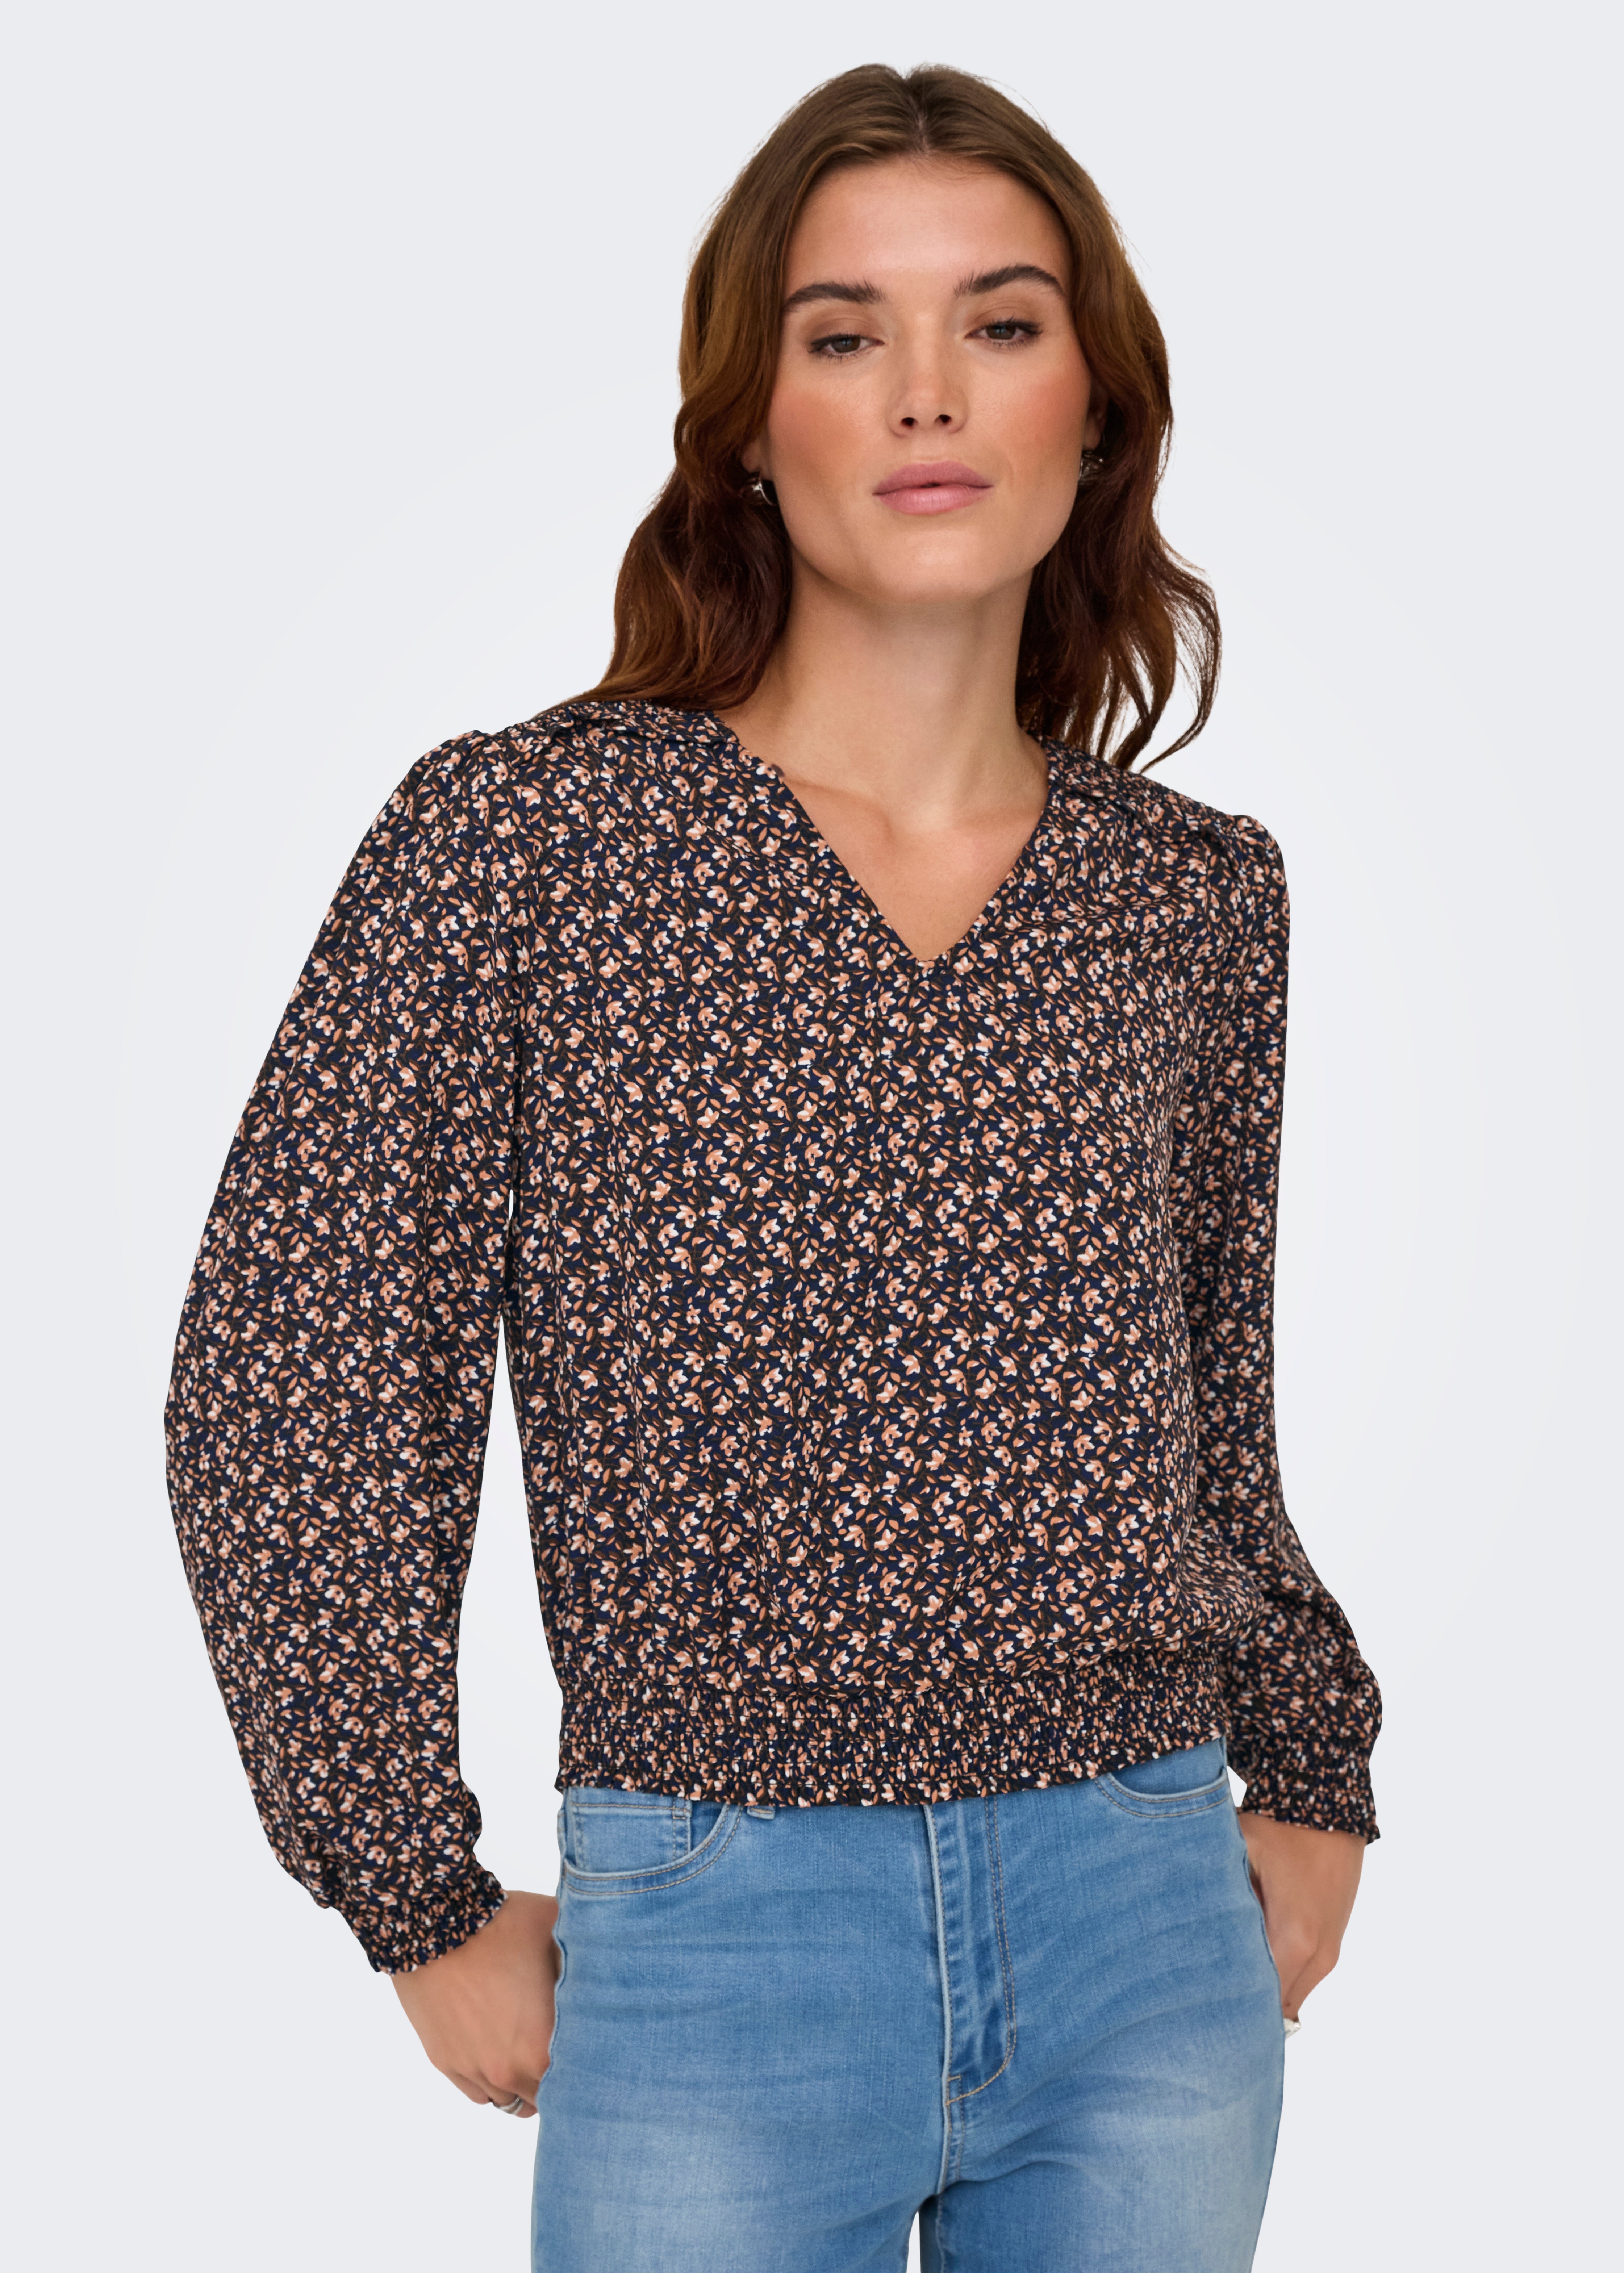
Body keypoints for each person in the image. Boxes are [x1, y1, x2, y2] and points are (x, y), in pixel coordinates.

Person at [166, 61, 1380, 2273]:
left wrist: (1308, 1762)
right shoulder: (531, 843)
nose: (927, 389)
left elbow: (1211, 1393)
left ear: (1097, 409)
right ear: (747, 420)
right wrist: (405, 1882)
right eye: (843, 334)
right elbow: (297, 1372)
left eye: (1000, 323)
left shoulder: (1191, 892)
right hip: (718, 1920)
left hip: (1143, 1909)